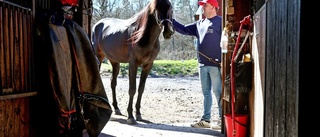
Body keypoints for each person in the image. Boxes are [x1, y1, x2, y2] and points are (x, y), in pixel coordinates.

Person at [172, 0, 222, 128]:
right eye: (202, 5)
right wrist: (170, 20)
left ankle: (222, 120)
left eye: (205, 5)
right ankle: (206, 120)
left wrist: (222, 61)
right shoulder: (199, 23)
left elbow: (227, 41)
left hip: (216, 65)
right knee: (206, 93)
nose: (203, 7)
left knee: (218, 92)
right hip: (202, 65)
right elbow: (183, 29)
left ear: (213, 7)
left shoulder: (220, 22)